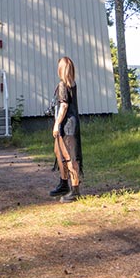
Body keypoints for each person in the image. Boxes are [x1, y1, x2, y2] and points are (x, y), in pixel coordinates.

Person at [49, 55, 83, 202]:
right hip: (70, 124)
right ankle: (64, 183)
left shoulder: (63, 85)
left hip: (67, 126)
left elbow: (64, 106)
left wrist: (57, 124)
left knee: (70, 157)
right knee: (59, 152)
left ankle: (75, 190)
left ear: (61, 69)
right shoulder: (72, 84)